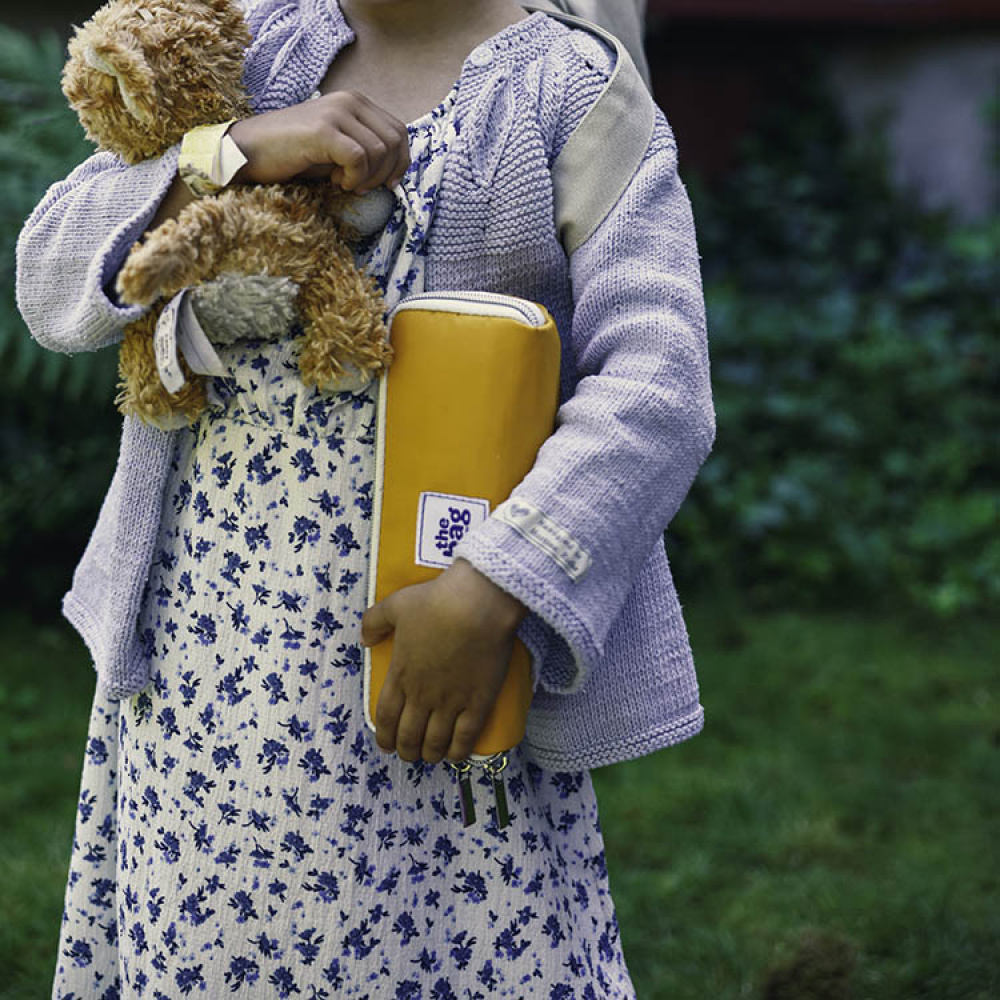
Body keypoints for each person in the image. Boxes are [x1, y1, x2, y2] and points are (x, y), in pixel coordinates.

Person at [16, 0, 715, 994]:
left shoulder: (569, 92)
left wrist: (490, 591)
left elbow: (657, 388)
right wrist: (229, 150)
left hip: (435, 666)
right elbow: (48, 286)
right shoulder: (251, 50)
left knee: (448, 955)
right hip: (204, 675)